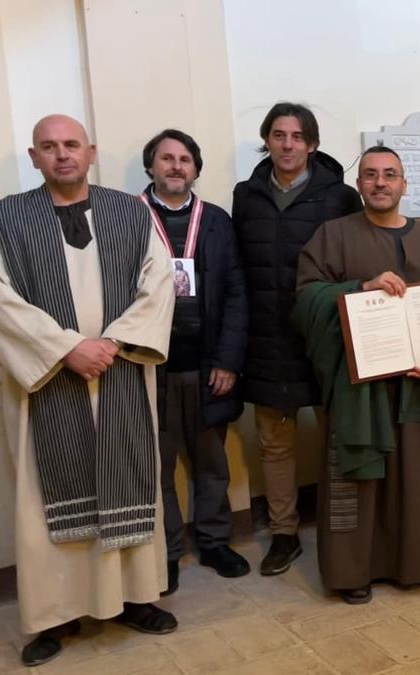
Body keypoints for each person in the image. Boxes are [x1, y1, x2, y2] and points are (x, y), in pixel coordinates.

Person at [0, 114, 176, 666]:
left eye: (71, 144)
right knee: (43, 501)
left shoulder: (131, 212)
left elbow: (157, 284)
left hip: (120, 369)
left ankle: (135, 598)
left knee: (128, 476)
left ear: (91, 152)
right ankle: (54, 615)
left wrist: (111, 343)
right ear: (34, 157)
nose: (62, 154)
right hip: (46, 380)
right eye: (49, 146)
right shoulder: (5, 219)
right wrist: (66, 348)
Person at [294, 146, 420, 603]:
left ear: (404, 184)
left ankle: (416, 564)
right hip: (359, 389)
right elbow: (306, 300)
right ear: (359, 183)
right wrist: (360, 289)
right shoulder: (333, 235)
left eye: (390, 175)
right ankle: (353, 572)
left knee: (417, 477)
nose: (380, 182)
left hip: (419, 387)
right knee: (358, 480)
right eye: (370, 174)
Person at [231, 102, 362, 575]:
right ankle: (284, 533)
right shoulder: (246, 195)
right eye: (279, 135)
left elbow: (355, 261)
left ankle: (344, 529)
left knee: (338, 438)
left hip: (327, 336)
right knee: (276, 444)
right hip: (268, 338)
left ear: (312, 144)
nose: (287, 145)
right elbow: (239, 269)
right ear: (266, 140)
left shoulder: (340, 197)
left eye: (297, 136)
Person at [139, 129, 250, 594]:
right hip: (150, 366)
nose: (176, 166)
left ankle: (214, 541)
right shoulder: (128, 218)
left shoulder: (217, 221)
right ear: (151, 166)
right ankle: (164, 553)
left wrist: (228, 360)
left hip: (207, 366)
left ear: (196, 169)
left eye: (185, 159)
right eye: (166, 158)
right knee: (157, 465)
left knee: (211, 462)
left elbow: (237, 292)